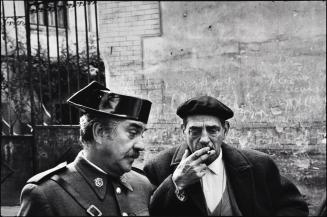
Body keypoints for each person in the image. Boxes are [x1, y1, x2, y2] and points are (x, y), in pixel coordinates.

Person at [143, 95, 309, 216]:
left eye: (212, 130)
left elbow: (294, 206)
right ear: (183, 131)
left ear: (225, 130)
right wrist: (176, 183)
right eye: (195, 131)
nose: (204, 139)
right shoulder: (158, 167)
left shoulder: (259, 165)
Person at [17, 81, 153, 216]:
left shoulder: (142, 185)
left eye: (142, 134)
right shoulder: (47, 194)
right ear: (100, 133)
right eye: (133, 132)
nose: (141, 145)